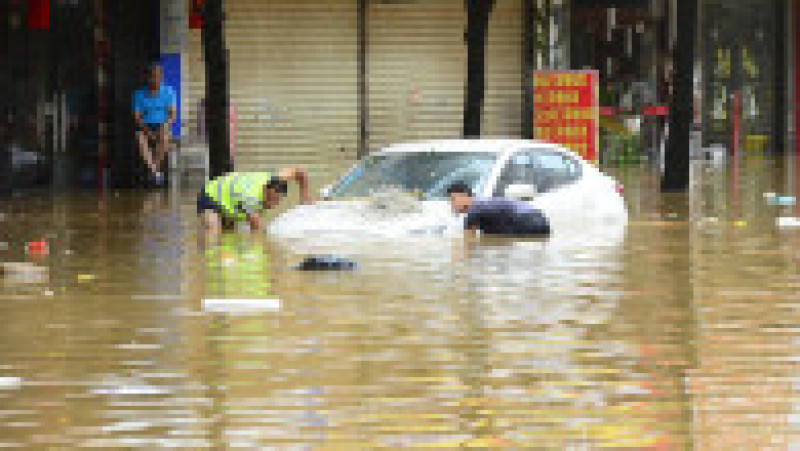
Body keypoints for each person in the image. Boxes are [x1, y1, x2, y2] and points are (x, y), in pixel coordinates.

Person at [197, 167, 313, 234]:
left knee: (229, 234)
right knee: (214, 232)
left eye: (277, 200)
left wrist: (305, 196)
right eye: (269, 199)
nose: (272, 204)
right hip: (211, 195)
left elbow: (300, 172)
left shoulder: (276, 179)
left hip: (230, 200)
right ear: (264, 189)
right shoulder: (250, 198)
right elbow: (258, 230)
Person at [446, 181, 550, 237]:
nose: (451, 204)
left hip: (526, 220)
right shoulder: (484, 204)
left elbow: (467, 242)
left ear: (465, 196)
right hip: (540, 219)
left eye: (453, 199)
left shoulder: (474, 211)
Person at [132, 63, 177, 186]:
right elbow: (137, 117)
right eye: (152, 76)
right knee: (140, 137)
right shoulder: (139, 94)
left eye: (157, 76)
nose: (154, 79)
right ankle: (156, 172)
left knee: (165, 138)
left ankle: (153, 171)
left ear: (161, 77)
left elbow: (173, 114)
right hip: (146, 126)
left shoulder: (169, 92)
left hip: (162, 126)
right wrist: (148, 132)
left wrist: (166, 125)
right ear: (147, 78)